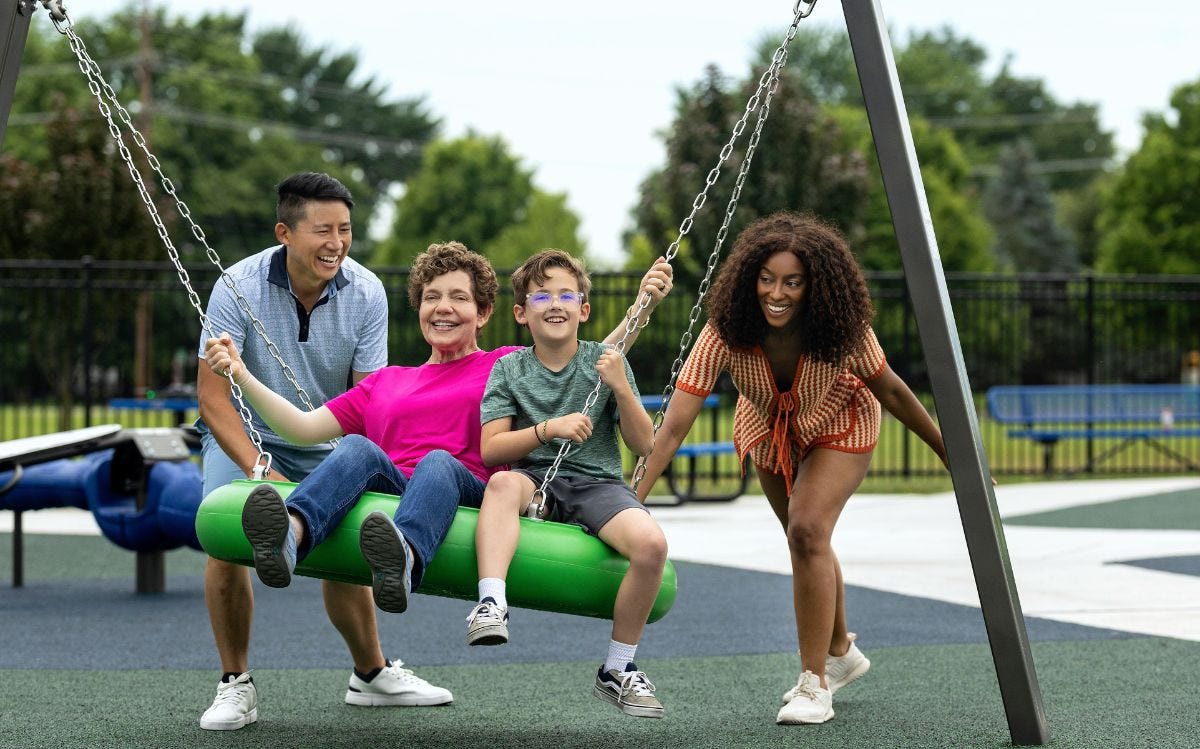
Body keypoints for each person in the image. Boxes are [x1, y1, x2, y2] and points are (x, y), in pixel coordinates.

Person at [202, 241, 672, 710]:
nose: (443, 308)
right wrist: (242, 374)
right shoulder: (384, 382)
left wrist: (641, 308)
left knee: (437, 461)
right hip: (398, 488)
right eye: (432, 297)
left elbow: (583, 360)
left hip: (462, 486)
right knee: (355, 447)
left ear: (484, 312)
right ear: (419, 309)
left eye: (459, 298)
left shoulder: (502, 364)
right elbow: (301, 428)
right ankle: (292, 532)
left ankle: (402, 555)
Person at [636, 212, 948, 726]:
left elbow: (889, 387)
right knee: (807, 538)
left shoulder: (840, 328)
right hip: (770, 432)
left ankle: (814, 683)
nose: (775, 293)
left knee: (807, 528)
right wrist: (633, 501)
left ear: (814, 286)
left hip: (840, 421)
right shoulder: (726, 331)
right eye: (766, 279)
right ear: (748, 279)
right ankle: (843, 651)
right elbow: (672, 427)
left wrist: (946, 451)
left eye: (792, 282)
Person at [195, 172, 451, 731]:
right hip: (248, 434)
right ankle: (235, 683)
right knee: (225, 536)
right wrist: (259, 467)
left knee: (353, 532)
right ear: (285, 232)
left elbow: (371, 399)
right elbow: (214, 400)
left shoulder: (365, 292)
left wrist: (363, 465)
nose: (336, 242)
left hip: (327, 437)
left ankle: (371, 675)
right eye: (323, 230)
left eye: (346, 229)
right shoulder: (236, 287)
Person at [465, 249, 669, 720]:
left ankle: (618, 668)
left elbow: (643, 445)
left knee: (652, 545)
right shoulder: (509, 369)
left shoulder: (606, 360)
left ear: (584, 308)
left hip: (598, 483)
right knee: (499, 486)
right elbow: (492, 450)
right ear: (521, 313)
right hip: (535, 479)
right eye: (540, 295)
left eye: (565, 294)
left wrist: (619, 386)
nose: (554, 303)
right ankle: (491, 603)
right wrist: (548, 428)